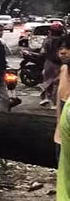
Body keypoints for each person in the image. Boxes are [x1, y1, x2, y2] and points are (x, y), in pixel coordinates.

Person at [42, 22, 67, 107]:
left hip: (49, 63)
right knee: (57, 83)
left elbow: (43, 51)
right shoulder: (63, 40)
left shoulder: (48, 40)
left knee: (47, 81)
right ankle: (54, 102)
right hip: (59, 64)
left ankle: (46, 98)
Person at [54, 35, 70, 163]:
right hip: (63, 132)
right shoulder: (64, 69)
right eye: (60, 48)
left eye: (68, 48)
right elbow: (60, 99)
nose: (62, 52)